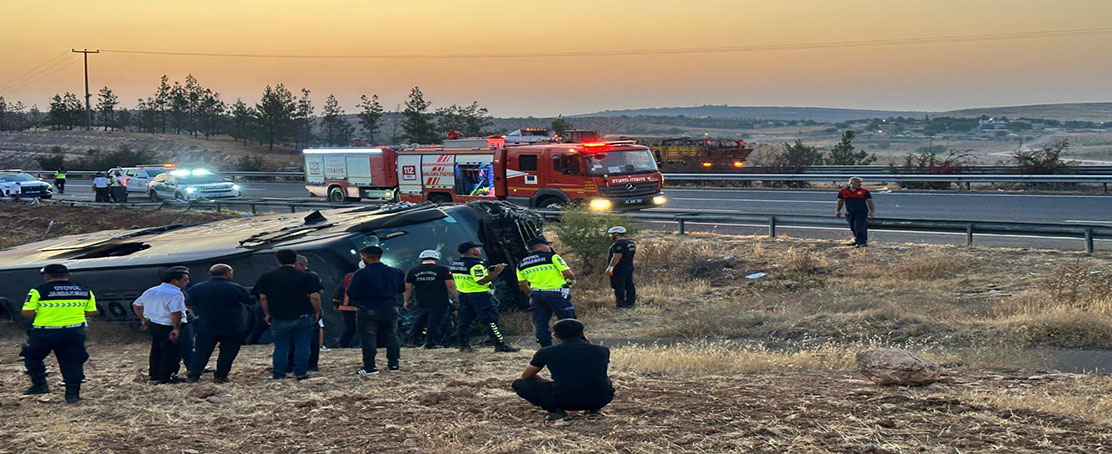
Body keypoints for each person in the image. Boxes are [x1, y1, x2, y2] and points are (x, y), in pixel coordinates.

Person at [20, 264, 98, 404]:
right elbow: (92, 312)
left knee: (31, 356)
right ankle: (72, 395)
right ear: (68, 275)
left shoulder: (38, 291)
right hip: (74, 332)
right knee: (72, 362)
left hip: (45, 332)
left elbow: (27, 312)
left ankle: (40, 385)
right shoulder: (85, 291)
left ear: (47, 276)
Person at [512, 319, 615, 422]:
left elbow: (526, 376)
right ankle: (594, 410)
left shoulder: (546, 352)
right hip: (600, 398)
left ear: (555, 335)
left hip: (564, 399)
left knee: (519, 384)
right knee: (605, 381)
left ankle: (556, 412)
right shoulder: (602, 350)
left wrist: (545, 381)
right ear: (582, 333)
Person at [254, 249, 323, 380]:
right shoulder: (307, 277)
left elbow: (263, 297)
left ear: (277, 260)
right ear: (295, 260)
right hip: (303, 315)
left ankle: (279, 373)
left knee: (281, 347)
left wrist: (267, 313)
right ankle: (301, 372)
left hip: (279, 316)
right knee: (303, 346)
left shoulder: (267, 277)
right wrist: (317, 312)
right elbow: (314, 296)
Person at [185, 264, 253, 383]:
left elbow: (189, 305)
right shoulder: (235, 287)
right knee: (228, 352)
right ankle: (221, 375)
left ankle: (194, 375)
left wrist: (198, 316)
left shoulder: (197, 288)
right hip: (232, 325)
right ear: (227, 273)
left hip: (206, 325)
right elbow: (249, 301)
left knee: (201, 352)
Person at [346, 245, 405, 375]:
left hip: (368, 308)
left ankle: (370, 367)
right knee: (391, 335)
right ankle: (394, 364)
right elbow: (401, 289)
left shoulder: (361, 273)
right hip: (390, 306)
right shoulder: (396, 272)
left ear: (366, 257)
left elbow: (352, 292)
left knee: (368, 337)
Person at [451, 242, 519, 353]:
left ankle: (463, 345)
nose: (479, 249)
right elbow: (481, 281)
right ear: (470, 250)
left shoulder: (456, 263)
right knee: (491, 320)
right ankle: (499, 345)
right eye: (476, 248)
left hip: (464, 294)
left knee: (464, 321)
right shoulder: (475, 265)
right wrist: (497, 272)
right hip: (479, 296)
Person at [132, 267, 190, 384]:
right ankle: (166, 377)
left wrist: (143, 319)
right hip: (168, 325)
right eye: (185, 279)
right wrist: (176, 328)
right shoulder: (176, 294)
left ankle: (154, 375)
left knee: (156, 350)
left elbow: (137, 305)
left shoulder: (151, 291)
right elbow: (176, 313)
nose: (187, 282)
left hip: (153, 323)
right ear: (175, 281)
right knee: (171, 352)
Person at [516, 236, 577, 347]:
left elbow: (522, 284)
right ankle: (572, 344)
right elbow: (569, 274)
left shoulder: (521, 264)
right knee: (568, 320)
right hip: (555, 293)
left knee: (541, 322)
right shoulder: (553, 257)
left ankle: (545, 346)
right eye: (547, 245)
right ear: (539, 247)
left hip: (536, 295)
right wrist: (568, 284)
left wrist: (531, 294)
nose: (549, 247)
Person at [403, 250, 458, 350]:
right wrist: (456, 297)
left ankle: (412, 341)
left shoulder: (413, 270)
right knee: (434, 322)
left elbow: (407, 288)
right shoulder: (443, 269)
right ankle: (431, 343)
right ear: (436, 259)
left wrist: (406, 301)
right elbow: (450, 285)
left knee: (419, 320)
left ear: (421, 259)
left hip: (421, 300)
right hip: (440, 300)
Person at [293, 255, 324, 372]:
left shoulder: (311, 276)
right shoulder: (311, 275)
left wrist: (317, 311)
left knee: (311, 340)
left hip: (308, 310)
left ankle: (311, 364)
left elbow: (317, 293)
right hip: (307, 311)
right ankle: (309, 364)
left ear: (301, 265)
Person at [835, 177, 876, 248]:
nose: (859, 184)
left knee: (859, 226)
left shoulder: (864, 191)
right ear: (851, 183)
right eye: (857, 182)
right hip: (850, 212)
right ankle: (858, 240)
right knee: (853, 227)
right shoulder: (843, 191)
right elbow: (840, 201)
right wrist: (838, 210)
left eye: (860, 182)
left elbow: (870, 202)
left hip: (861, 212)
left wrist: (872, 211)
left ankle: (862, 242)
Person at [604, 226, 637, 308]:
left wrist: (610, 268)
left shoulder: (618, 245)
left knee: (619, 286)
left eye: (611, 234)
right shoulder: (631, 244)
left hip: (619, 269)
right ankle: (630, 302)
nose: (610, 236)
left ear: (616, 234)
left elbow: (617, 257)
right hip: (629, 267)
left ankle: (620, 304)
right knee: (629, 285)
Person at [331, 262, 361, 348]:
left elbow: (339, 290)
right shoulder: (369, 276)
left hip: (347, 306)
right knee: (364, 327)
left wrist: (336, 303)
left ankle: (342, 344)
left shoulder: (349, 276)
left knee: (350, 327)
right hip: (362, 307)